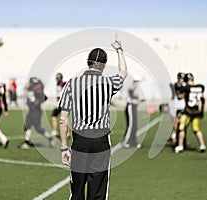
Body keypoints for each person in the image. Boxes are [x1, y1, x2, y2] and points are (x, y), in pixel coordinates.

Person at [59, 40, 127, 199]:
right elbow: (123, 72)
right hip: (101, 140)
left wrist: (63, 147)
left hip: (80, 140)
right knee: (98, 191)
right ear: (103, 65)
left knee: (76, 190)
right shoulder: (108, 83)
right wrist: (119, 50)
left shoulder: (72, 83)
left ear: (87, 62)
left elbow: (63, 119)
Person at [19, 77, 56, 149]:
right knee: (28, 126)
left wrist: (37, 103)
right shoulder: (31, 89)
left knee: (37, 128)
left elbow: (44, 97)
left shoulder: (36, 90)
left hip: (36, 110)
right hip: (32, 110)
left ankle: (50, 138)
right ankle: (26, 142)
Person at [175, 73, 206, 153]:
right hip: (196, 112)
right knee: (196, 129)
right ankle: (202, 145)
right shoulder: (200, 87)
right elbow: (202, 99)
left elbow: (179, 97)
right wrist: (202, 110)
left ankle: (180, 146)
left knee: (181, 128)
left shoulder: (186, 88)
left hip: (188, 112)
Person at [122, 75, 144, 149]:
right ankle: (126, 141)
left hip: (134, 107)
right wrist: (139, 82)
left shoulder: (136, 88)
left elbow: (138, 99)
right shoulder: (131, 85)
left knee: (135, 126)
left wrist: (140, 100)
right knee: (131, 125)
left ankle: (133, 141)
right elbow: (131, 89)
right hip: (130, 107)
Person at [169, 72, 186, 148]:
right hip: (174, 105)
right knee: (175, 124)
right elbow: (177, 93)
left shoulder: (185, 86)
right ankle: (176, 136)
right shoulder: (175, 85)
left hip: (182, 106)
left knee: (180, 123)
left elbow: (181, 96)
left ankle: (177, 138)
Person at [51, 72, 67, 138]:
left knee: (55, 117)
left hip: (61, 104)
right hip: (60, 104)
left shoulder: (63, 84)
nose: (57, 79)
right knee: (63, 119)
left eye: (58, 78)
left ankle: (55, 132)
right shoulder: (58, 84)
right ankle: (66, 133)